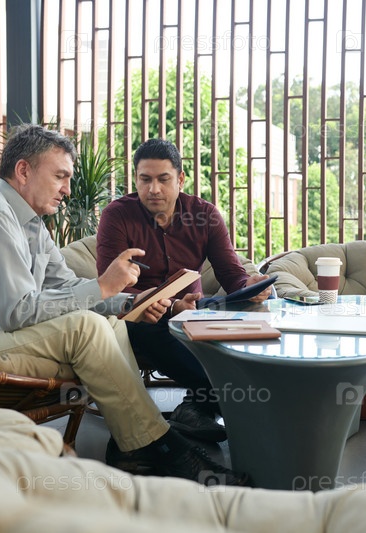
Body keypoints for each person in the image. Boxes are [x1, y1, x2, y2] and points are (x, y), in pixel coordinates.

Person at [0, 124, 247, 486]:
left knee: (113, 321)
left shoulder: (30, 225)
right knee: (86, 326)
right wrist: (103, 286)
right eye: (60, 176)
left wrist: (130, 300)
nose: (67, 188)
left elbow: (66, 285)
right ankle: (163, 446)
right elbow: (17, 312)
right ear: (23, 171)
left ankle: (132, 445)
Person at [96, 138, 272, 443]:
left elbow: (232, 274)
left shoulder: (204, 214)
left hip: (194, 310)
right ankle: (230, 402)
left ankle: (196, 406)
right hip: (138, 316)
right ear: (135, 180)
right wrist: (171, 305)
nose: (153, 189)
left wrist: (250, 288)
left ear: (180, 179)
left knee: (249, 309)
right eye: (145, 179)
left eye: (163, 179)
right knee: (151, 326)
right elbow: (113, 288)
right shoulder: (117, 215)